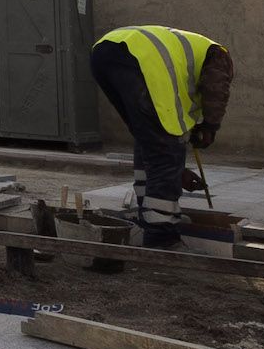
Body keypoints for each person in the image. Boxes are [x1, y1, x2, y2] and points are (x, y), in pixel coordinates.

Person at [90, 25, 236, 247]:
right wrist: (209, 127)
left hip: (104, 52)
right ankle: (162, 237)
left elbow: (157, 138)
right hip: (140, 59)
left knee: (149, 140)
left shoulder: (186, 50)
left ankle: (149, 217)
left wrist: (177, 170)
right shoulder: (218, 55)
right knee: (165, 151)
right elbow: (217, 89)